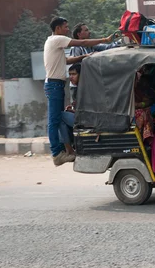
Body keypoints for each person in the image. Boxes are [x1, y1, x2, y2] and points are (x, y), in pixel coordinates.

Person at [44, 17, 113, 166]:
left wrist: (84, 57)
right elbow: (81, 43)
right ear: (57, 28)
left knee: (58, 119)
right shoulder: (57, 39)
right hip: (54, 85)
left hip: (56, 85)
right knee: (54, 120)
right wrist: (105, 39)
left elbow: (67, 61)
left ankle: (67, 150)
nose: (67, 29)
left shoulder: (54, 43)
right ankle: (56, 153)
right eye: (65, 27)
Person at [69, 24, 119, 101]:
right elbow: (77, 67)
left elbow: (108, 47)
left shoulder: (91, 46)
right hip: (79, 86)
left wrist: (120, 41)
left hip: (89, 84)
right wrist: (91, 58)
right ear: (79, 34)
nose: (89, 32)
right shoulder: (76, 48)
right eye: (86, 30)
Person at [59, 63, 81, 156]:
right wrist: (72, 110)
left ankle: (68, 149)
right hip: (81, 117)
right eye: (70, 74)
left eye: (74, 74)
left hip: (85, 120)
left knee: (58, 116)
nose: (71, 77)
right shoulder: (78, 88)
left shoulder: (85, 88)